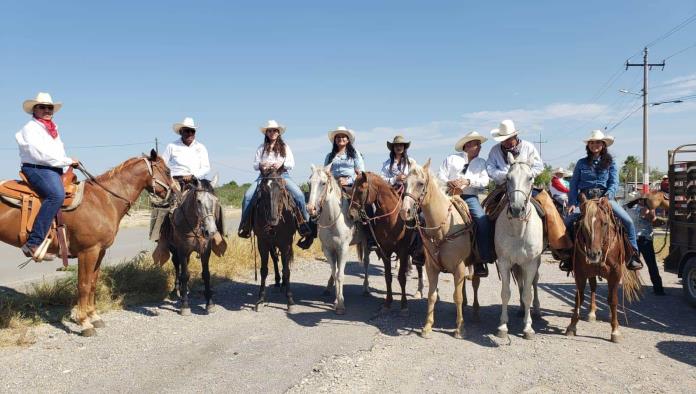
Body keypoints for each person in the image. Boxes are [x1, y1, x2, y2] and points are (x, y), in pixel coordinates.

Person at [486, 119, 572, 263]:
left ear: (515, 136)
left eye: (509, 138)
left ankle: (559, 245)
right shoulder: (495, 150)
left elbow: (539, 166)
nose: (506, 142)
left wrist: (525, 174)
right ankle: (490, 247)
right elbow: (489, 168)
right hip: (504, 187)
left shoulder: (528, 147)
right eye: (504, 139)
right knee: (489, 210)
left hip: (526, 186)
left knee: (549, 207)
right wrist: (507, 175)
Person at [563, 130, 643, 271]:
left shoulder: (611, 163)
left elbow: (614, 182)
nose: (595, 145)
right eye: (592, 142)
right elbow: (574, 184)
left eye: (598, 142)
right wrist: (572, 203)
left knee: (628, 222)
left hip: (604, 199)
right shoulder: (581, 163)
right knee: (567, 223)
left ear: (603, 145)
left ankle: (633, 255)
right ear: (588, 145)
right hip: (585, 200)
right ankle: (569, 257)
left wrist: (608, 196)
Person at [15, 92, 78, 259]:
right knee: (56, 195)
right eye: (42, 107)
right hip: (37, 168)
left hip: (54, 168)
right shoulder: (30, 128)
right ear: (34, 110)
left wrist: (66, 166)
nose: (47, 110)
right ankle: (33, 243)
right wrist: (67, 160)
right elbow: (40, 154)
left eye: (49, 107)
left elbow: (57, 152)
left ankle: (63, 242)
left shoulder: (53, 129)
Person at [237, 120, 314, 248]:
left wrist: (281, 164)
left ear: (278, 133)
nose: (272, 133)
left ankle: (304, 224)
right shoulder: (261, 148)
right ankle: (245, 225)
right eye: (270, 130)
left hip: (282, 175)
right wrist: (262, 165)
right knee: (248, 196)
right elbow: (255, 165)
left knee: (299, 195)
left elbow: (291, 163)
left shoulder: (285, 147)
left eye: (274, 130)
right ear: (266, 133)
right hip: (264, 177)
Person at [437, 131, 493, 277]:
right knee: (424, 216)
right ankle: (421, 252)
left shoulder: (481, 163)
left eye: (479, 145)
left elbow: (485, 181)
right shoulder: (451, 159)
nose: (479, 147)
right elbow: (440, 175)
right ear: (467, 145)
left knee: (482, 221)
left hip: (469, 196)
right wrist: (448, 182)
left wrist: (468, 181)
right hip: (448, 196)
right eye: (476, 144)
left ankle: (481, 259)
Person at [625, 197, 665, 295]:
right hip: (645, 240)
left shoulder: (627, 208)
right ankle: (658, 289)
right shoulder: (644, 209)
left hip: (633, 240)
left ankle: (632, 288)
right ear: (640, 200)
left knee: (632, 265)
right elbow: (652, 219)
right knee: (651, 265)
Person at [161, 117, 211, 190]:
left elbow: (206, 167)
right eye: (187, 131)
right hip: (176, 182)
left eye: (192, 131)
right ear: (181, 132)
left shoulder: (201, 147)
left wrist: (192, 175)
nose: (190, 133)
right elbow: (163, 165)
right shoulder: (171, 146)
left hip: (195, 181)